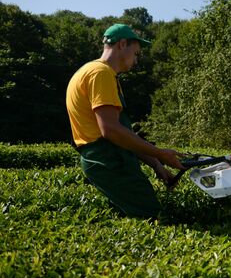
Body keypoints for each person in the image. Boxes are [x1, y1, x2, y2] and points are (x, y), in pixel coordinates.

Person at [66, 23, 185, 219]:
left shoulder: (94, 72)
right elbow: (111, 130)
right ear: (122, 44)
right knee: (153, 218)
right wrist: (161, 154)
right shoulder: (100, 74)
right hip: (110, 160)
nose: (136, 60)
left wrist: (155, 163)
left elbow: (121, 133)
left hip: (109, 159)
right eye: (136, 53)